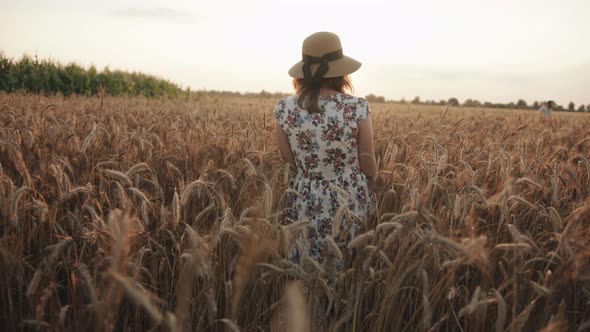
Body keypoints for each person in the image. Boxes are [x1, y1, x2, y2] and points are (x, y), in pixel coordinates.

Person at [274, 31, 377, 262]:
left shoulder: (284, 108)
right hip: (348, 196)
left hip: (304, 195)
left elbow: (287, 159)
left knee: (306, 265)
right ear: (341, 72)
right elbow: (367, 158)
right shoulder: (356, 107)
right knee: (346, 263)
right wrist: (374, 181)